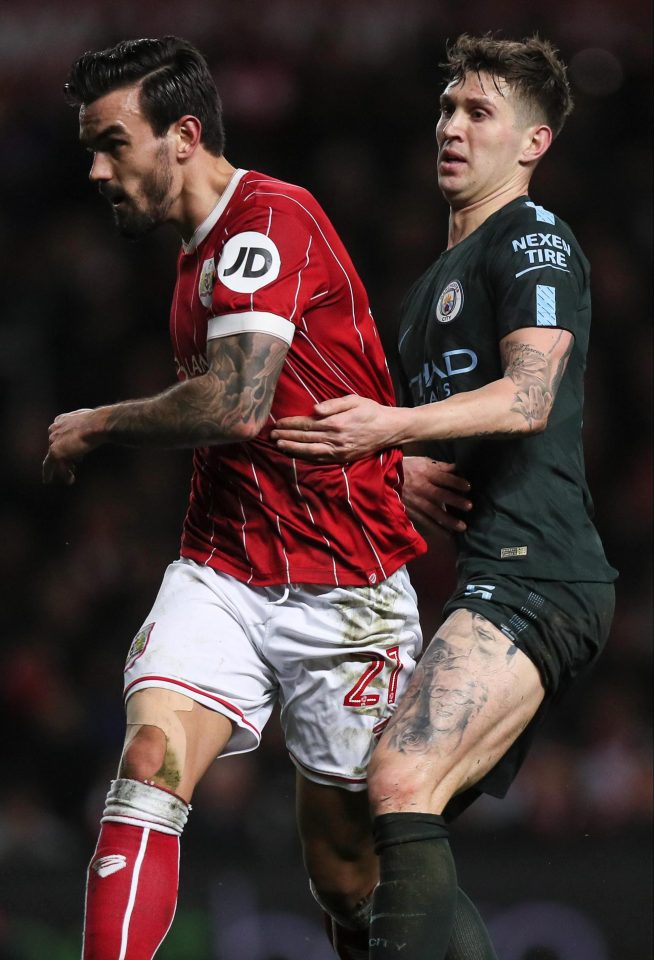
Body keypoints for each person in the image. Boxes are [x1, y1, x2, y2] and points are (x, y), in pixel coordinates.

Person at [41, 35, 452, 960]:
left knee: (346, 875)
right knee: (149, 766)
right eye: (88, 150)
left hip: (345, 586)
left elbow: (235, 402)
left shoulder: (268, 220)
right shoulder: (197, 250)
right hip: (222, 568)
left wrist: (100, 423)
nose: (98, 170)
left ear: (183, 135)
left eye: (113, 143)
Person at [273, 33, 618, 959]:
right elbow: (441, 443)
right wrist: (403, 467)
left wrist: (386, 427)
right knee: (350, 853)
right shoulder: (427, 290)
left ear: (533, 143)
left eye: (479, 113)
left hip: (540, 569)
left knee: (400, 774)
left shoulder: (534, 238)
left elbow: (530, 394)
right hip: (486, 574)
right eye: (446, 110)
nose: (452, 129)